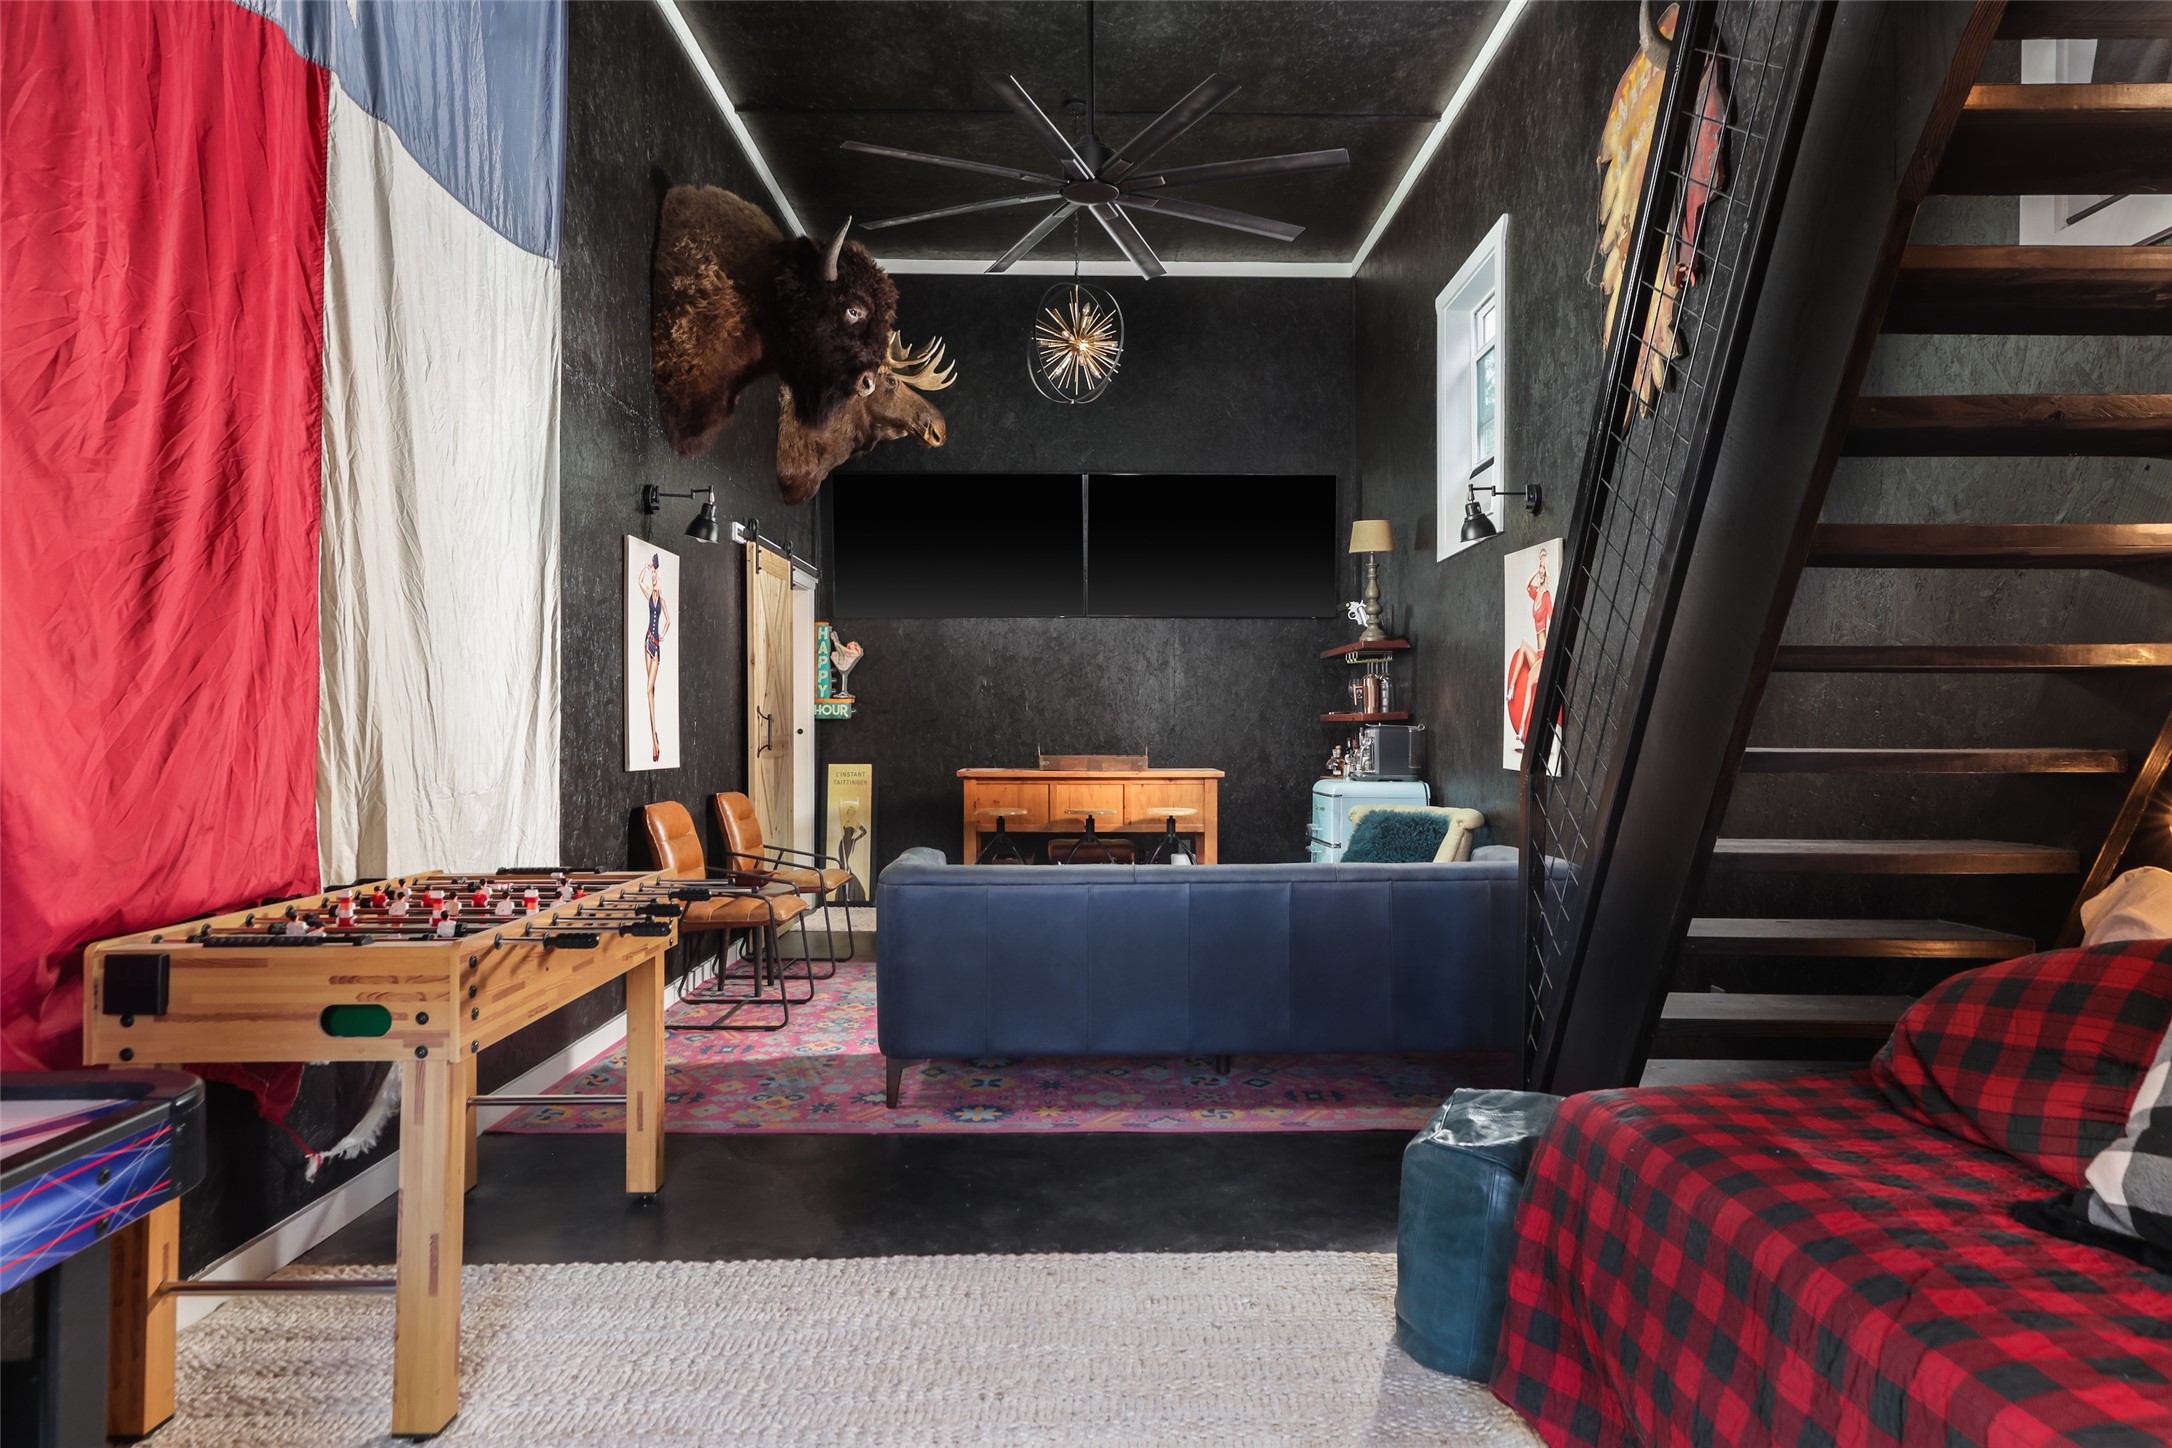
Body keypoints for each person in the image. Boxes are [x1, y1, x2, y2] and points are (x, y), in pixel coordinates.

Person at [1505, 551, 1554, 746]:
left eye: (1543, 567)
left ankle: (1523, 727)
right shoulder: (1537, 593)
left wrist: (1550, 656)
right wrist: (1536, 568)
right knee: (1524, 643)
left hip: (1545, 656)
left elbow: (1554, 620)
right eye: (1540, 567)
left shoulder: (1548, 597)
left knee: (1530, 682)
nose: (1541, 571)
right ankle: (1510, 688)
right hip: (1538, 654)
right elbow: (1526, 585)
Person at [639, 554, 672, 763]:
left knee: (649, 689)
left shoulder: (662, 600)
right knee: (650, 691)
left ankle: (655, 738)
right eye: (652, 577)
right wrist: (646, 566)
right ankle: (654, 737)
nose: (653, 580)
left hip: (656, 644)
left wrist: (664, 635)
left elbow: (668, 621)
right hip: (647, 641)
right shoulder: (649, 594)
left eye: (655, 577)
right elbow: (638, 581)